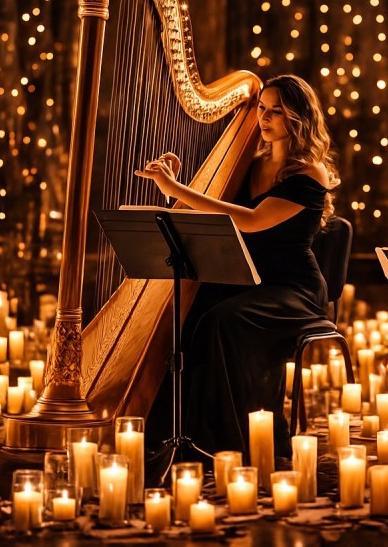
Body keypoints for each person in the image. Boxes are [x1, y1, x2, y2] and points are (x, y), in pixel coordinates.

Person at [135, 73, 338, 458]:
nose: (264, 118)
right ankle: (177, 435)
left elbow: (250, 220)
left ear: (298, 117)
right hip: (247, 279)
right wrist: (181, 172)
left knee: (222, 321)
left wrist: (175, 190)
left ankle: (226, 443)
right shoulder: (252, 160)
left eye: (276, 111)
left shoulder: (309, 172)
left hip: (292, 289)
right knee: (191, 313)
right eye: (262, 108)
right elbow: (215, 199)